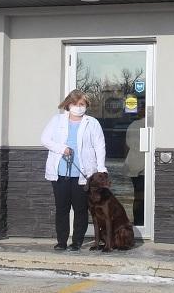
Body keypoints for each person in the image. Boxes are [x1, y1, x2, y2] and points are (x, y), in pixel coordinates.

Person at [40, 89, 107, 251]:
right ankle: (61, 241)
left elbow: (100, 146)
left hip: (83, 175)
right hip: (60, 173)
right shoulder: (57, 120)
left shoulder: (92, 123)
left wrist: (101, 169)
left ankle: (77, 241)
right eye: (75, 104)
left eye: (82, 104)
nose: (78, 107)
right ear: (68, 105)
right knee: (62, 208)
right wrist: (61, 148)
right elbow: (45, 139)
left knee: (80, 209)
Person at [122, 105, 145, 226]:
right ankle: (141, 223)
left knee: (138, 195)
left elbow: (126, 145)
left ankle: (138, 222)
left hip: (133, 163)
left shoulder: (133, 125)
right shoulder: (147, 125)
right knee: (141, 196)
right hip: (142, 165)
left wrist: (126, 161)